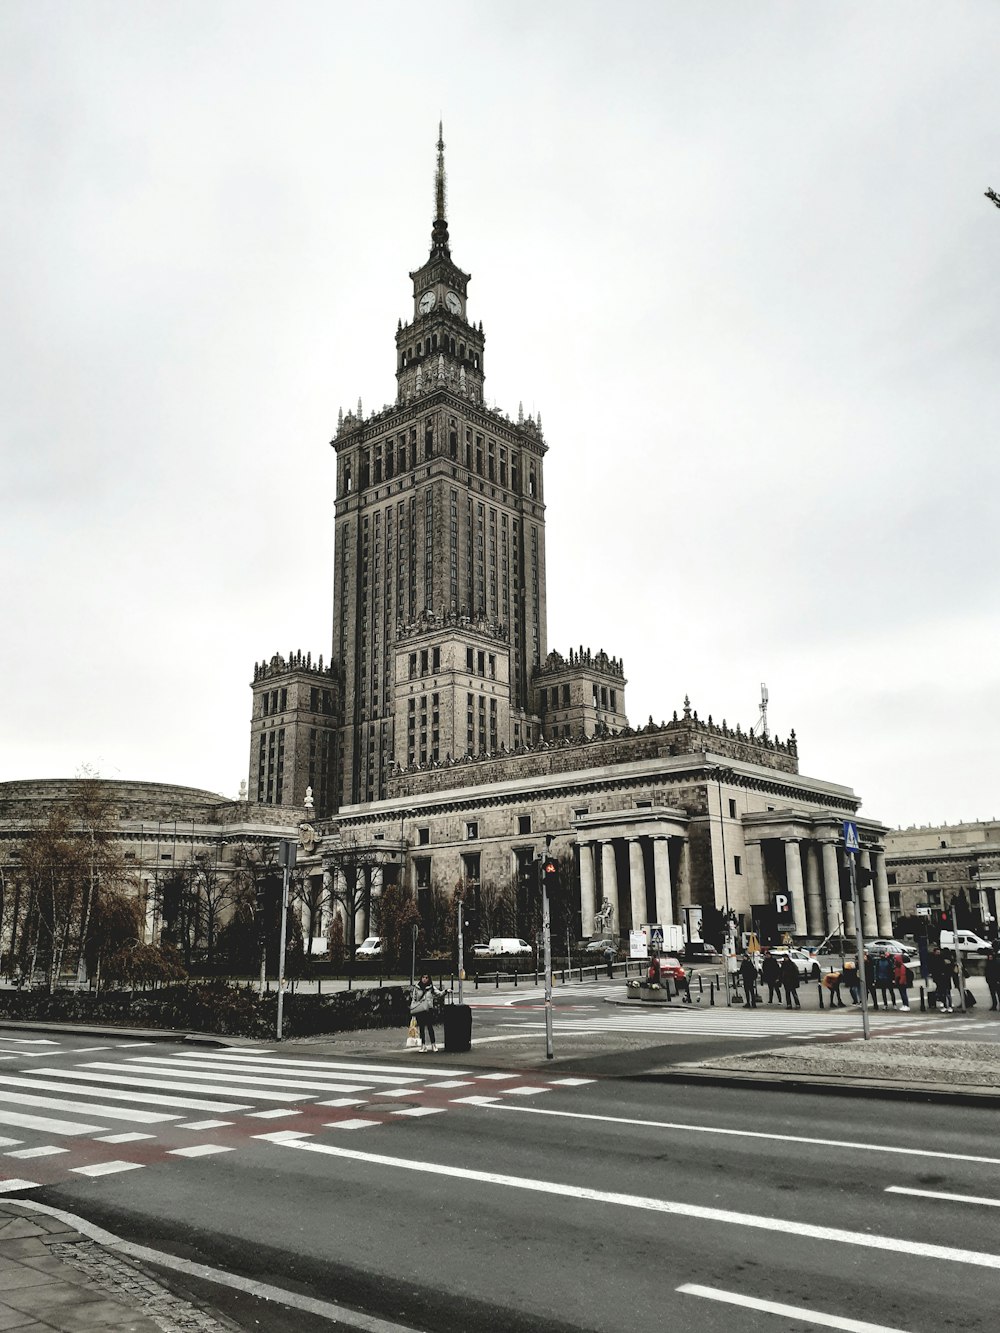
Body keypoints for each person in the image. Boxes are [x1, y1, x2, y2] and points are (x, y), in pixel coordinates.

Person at [408, 973, 444, 1051]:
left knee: (430, 1027)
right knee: (421, 1028)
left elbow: (439, 994)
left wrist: (446, 991)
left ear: (429, 979)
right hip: (420, 1009)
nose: (424, 979)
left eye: (426, 978)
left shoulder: (431, 988)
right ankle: (423, 1045)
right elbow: (414, 999)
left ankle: (433, 1044)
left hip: (428, 1009)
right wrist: (413, 1008)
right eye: (423, 977)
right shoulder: (417, 988)